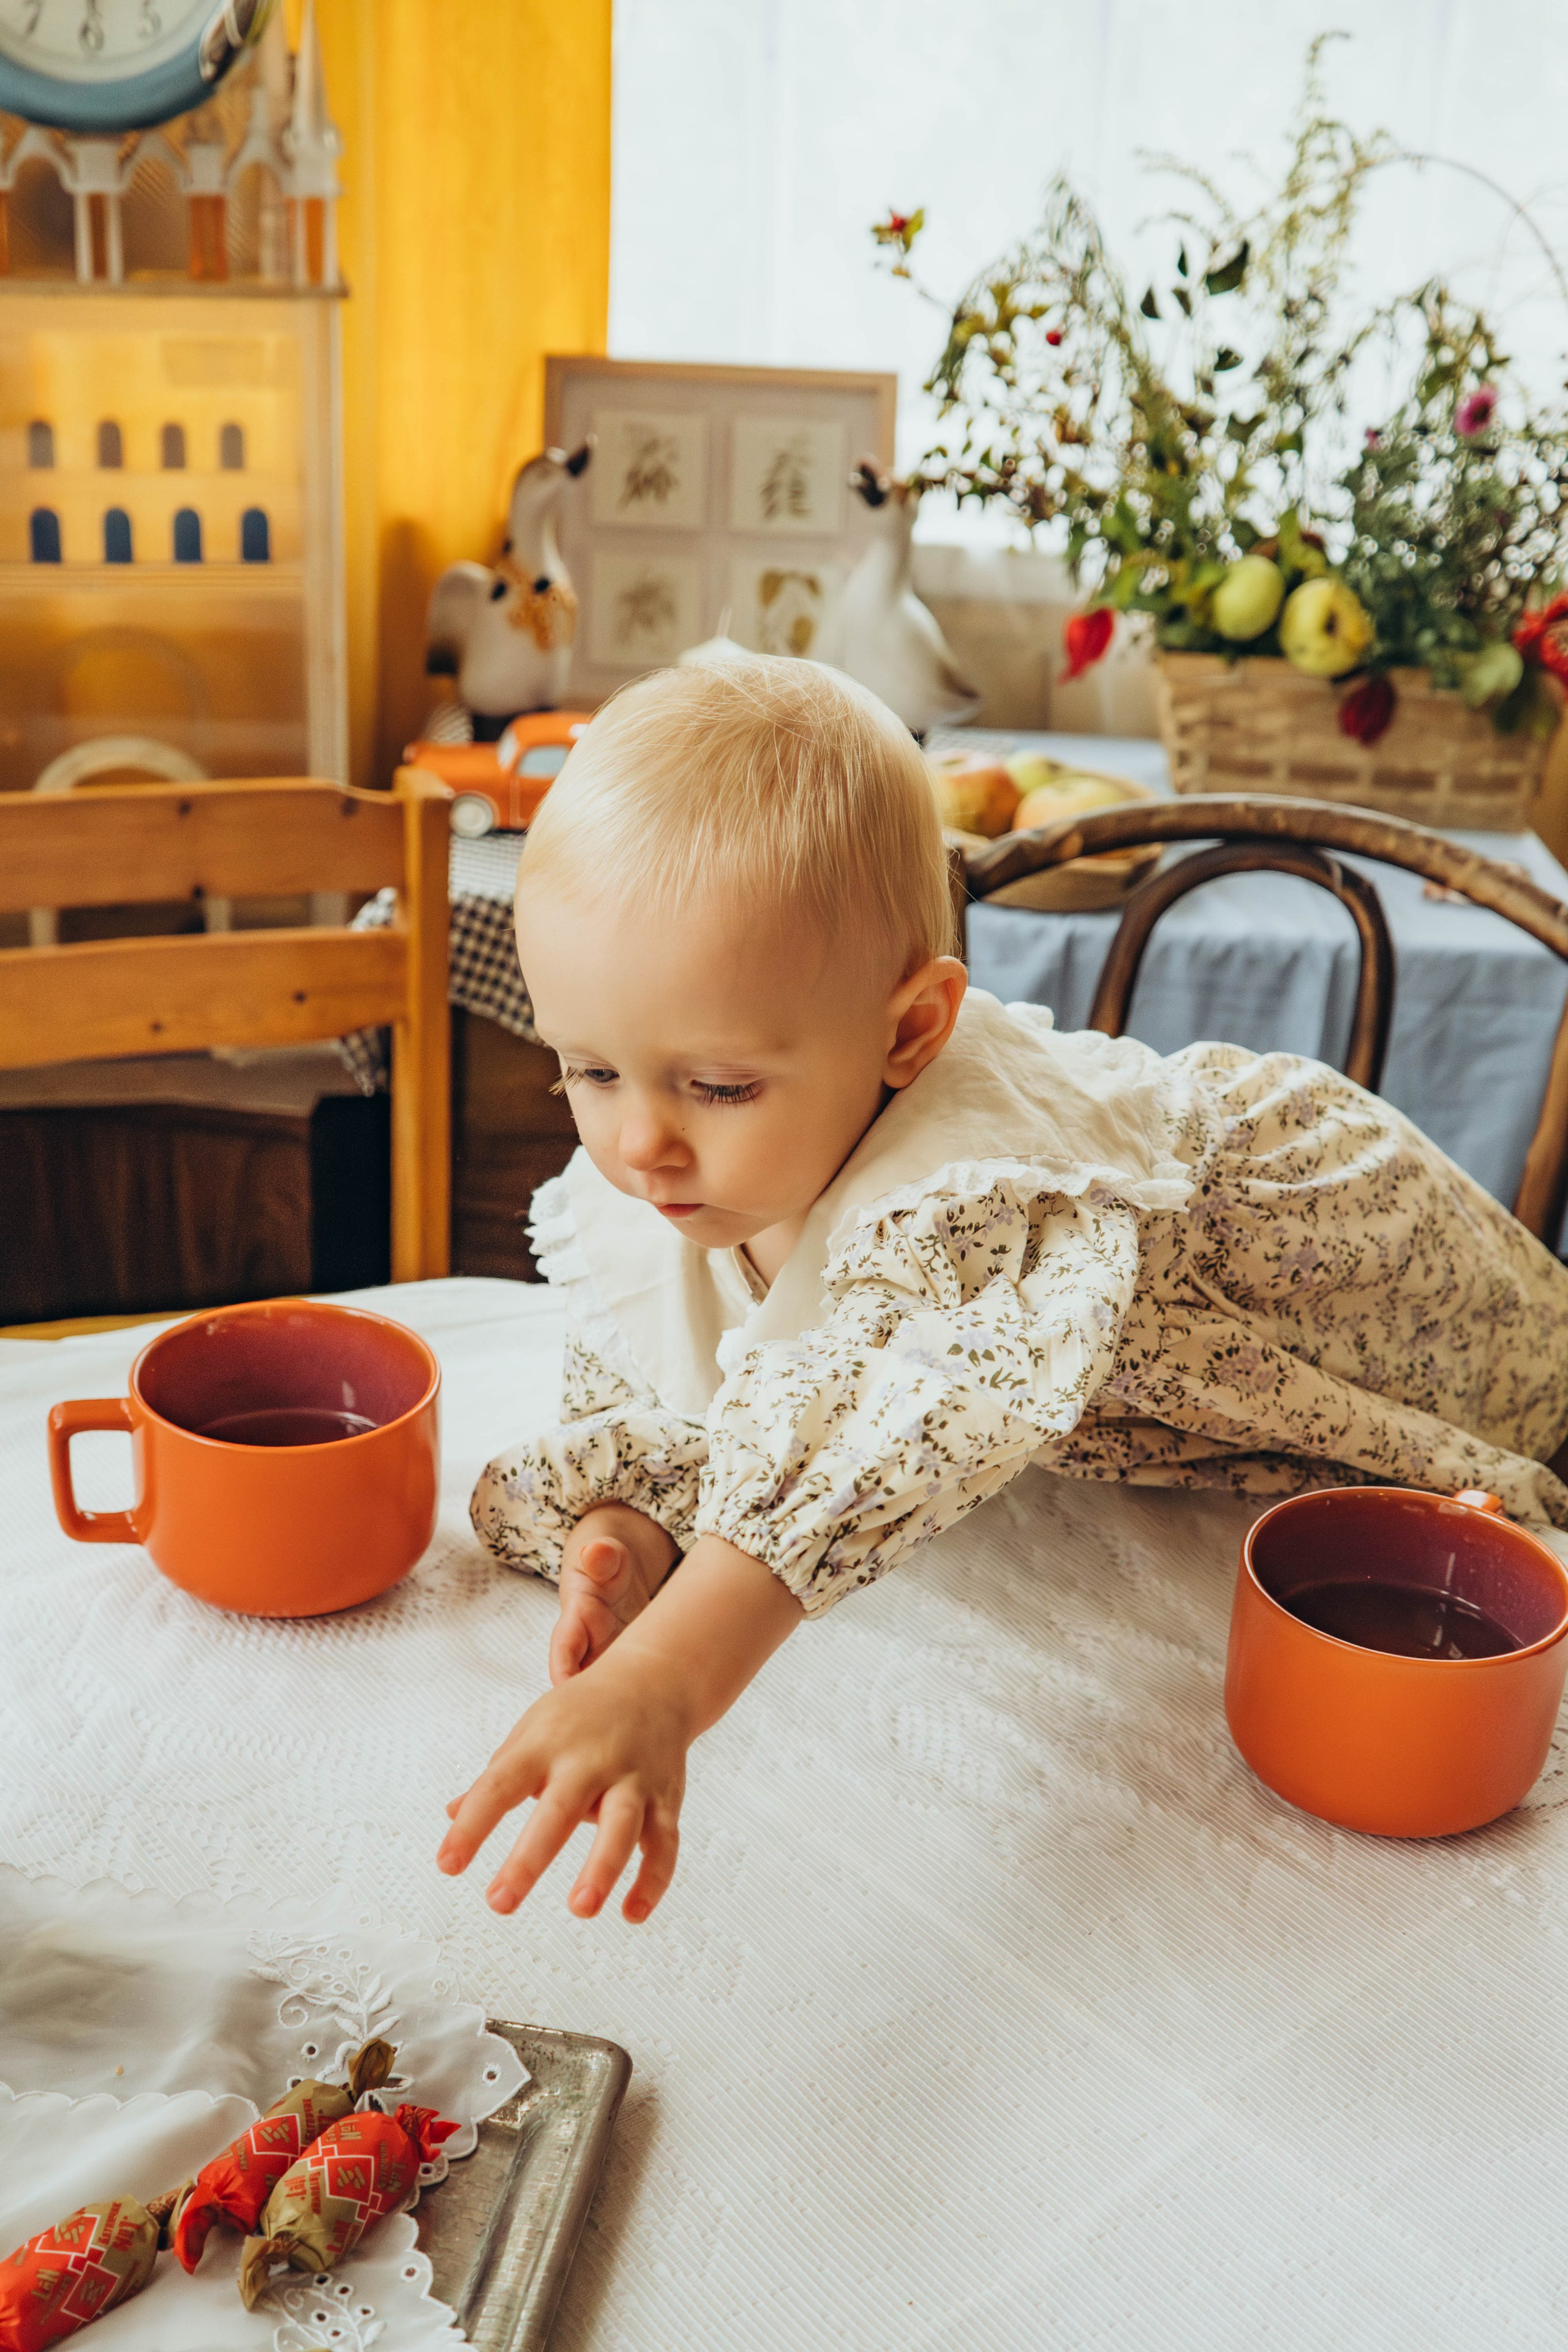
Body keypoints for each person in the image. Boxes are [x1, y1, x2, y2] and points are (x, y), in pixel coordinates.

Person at [437, 655, 1568, 1923]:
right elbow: (686, 1375)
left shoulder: (982, 1195)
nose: (639, 1142)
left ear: (909, 1033)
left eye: (716, 1086)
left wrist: (665, 1678)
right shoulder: (685, 1162)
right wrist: (630, 1533)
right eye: (587, 1071)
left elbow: (895, 1419)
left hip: (1365, 1274)